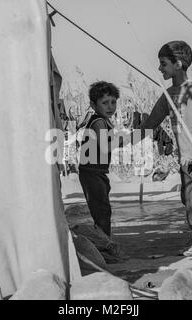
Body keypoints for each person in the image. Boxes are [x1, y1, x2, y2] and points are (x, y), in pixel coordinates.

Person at [137, 41, 192, 258]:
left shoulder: (191, 91)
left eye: (163, 64)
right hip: (187, 157)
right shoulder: (171, 93)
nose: (159, 69)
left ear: (178, 64)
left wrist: (191, 153)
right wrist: (135, 135)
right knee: (189, 198)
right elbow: (155, 117)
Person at [78, 81, 120, 237]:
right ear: (93, 105)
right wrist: (122, 140)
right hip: (92, 172)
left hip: (97, 172)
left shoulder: (103, 121)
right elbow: (104, 147)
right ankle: (104, 245)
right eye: (105, 103)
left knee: (102, 209)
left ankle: (104, 242)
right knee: (101, 211)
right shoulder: (99, 122)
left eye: (113, 102)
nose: (110, 107)